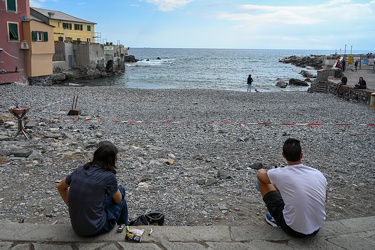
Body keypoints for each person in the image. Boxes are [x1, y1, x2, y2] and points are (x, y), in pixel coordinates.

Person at [256, 138, 327, 238]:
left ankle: (275, 219)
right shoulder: (318, 174)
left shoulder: (280, 173)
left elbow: (260, 175)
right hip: (316, 227)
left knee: (262, 183)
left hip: (294, 229)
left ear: (283, 155)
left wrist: (262, 170)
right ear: (301, 155)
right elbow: (325, 197)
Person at [56, 141, 129, 237]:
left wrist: (71, 206)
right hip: (96, 228)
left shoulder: (79, 170)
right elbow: (118, 200)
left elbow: (60, 187)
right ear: (112, 159)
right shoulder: (109, 176)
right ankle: (125, 228)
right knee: (121, 193)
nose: (118, 158)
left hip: (77, 228)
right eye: (116, 156)